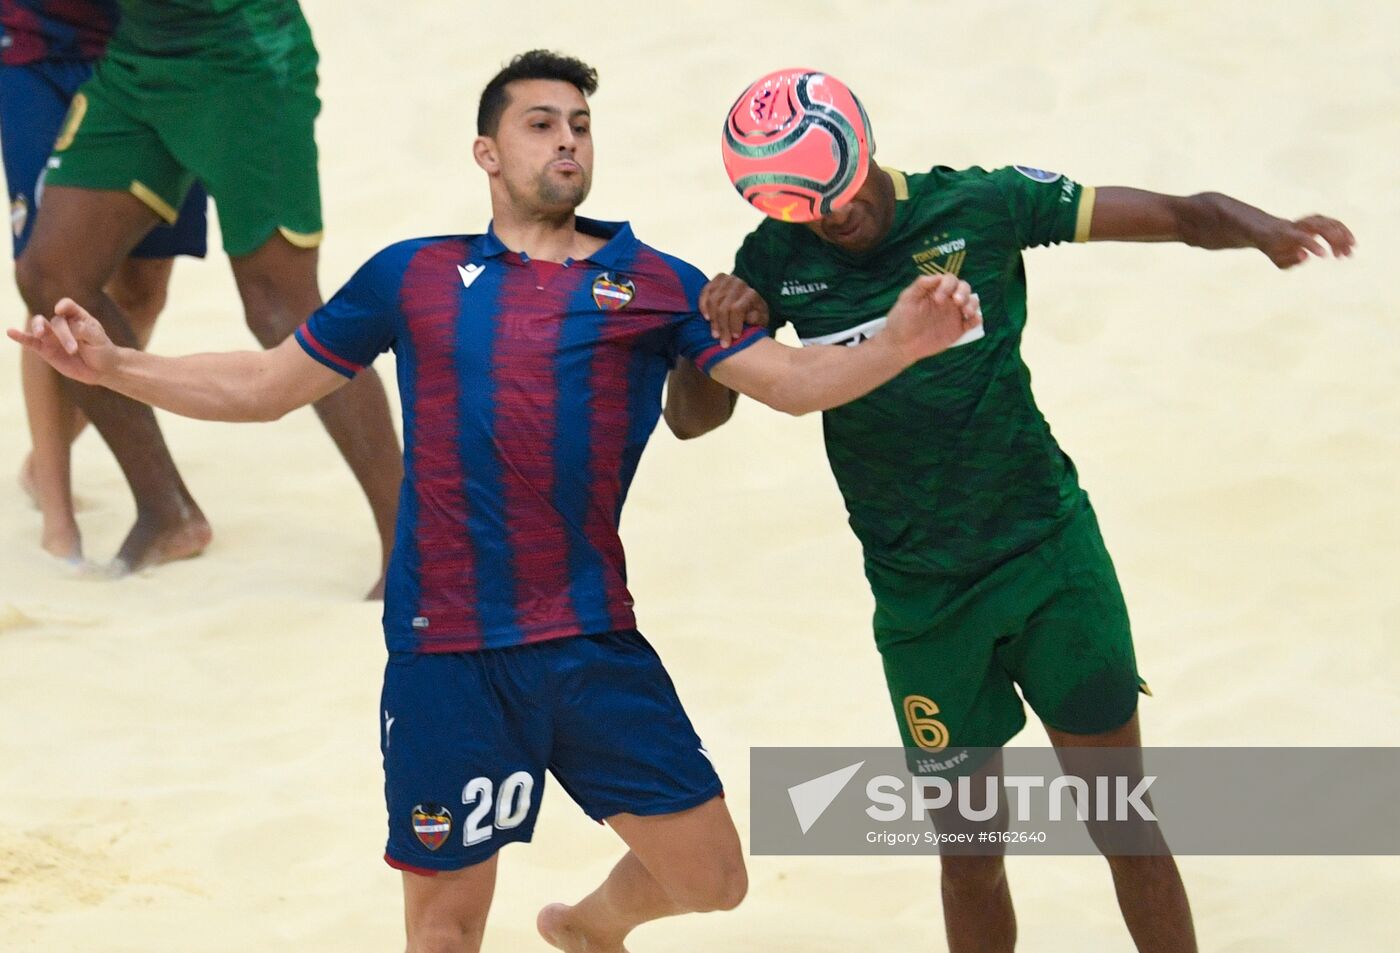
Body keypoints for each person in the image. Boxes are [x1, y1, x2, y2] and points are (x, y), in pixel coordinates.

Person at [11, 51, 982, 953]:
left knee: (711, 875)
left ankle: (591, 925)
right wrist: (120, 364)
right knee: (443, 929)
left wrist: (895, 343)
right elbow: (266, 384)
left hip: (588, 638)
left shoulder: (655, 284)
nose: (566, 140)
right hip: (448, 655)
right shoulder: (414, 275)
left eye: (580, 125)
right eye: (540, 123)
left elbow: (790, 378)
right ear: (487, 150)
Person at [691, 70, 1355, 953]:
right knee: (970, 858)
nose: (830, 217)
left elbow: (1181, 213)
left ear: (866, 144)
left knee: (1123, 825)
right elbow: (694, 423)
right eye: (802, 205)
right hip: (924, 605)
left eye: (839, 191)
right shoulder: (776, 260)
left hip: (1048, 562)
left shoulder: (985, 206)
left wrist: (1266, 232)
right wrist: (715, 338)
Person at [12, 0, 401, 589]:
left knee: (278, 306)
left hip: (241, 57)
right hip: (139, 56)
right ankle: (166, 511)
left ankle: (413, 542)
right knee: (50, 274)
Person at [1, 0, 208, 563]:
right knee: (51, 278)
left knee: (143, 287)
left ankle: (45, 458)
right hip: (38, 49)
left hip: (162, 56)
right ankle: (58, 511)